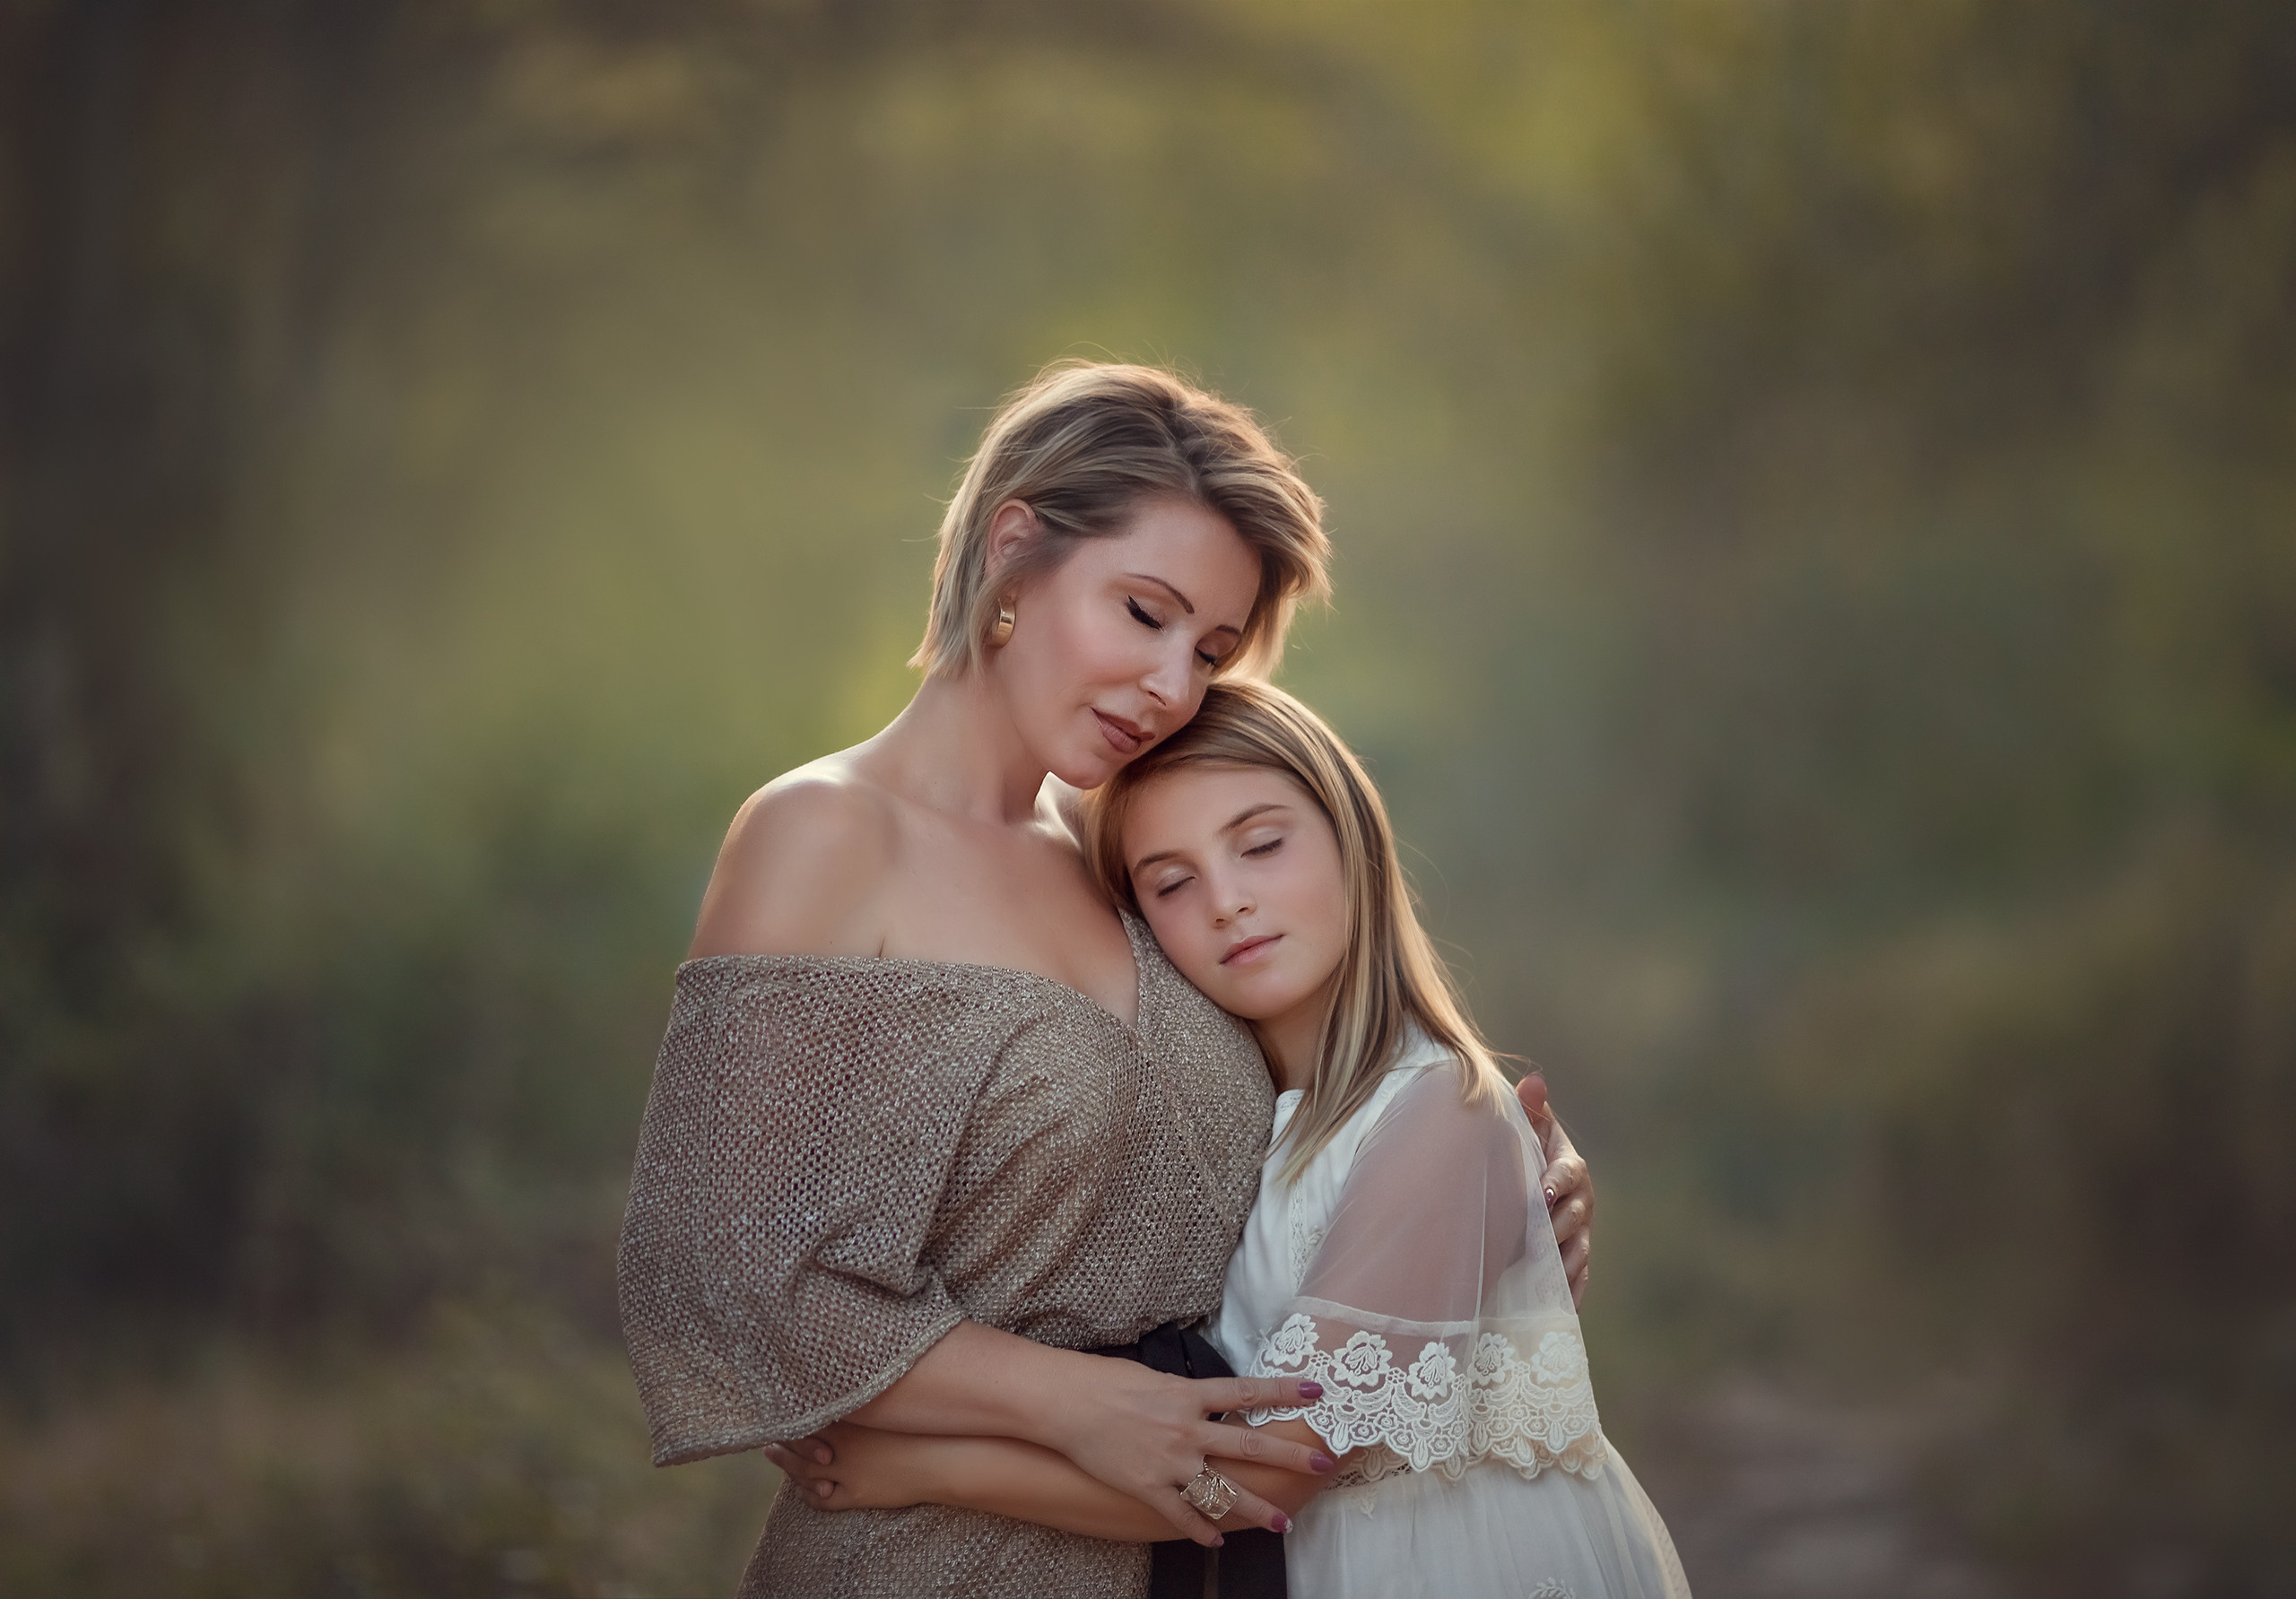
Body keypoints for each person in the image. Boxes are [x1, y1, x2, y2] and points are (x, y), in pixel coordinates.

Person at [618, 363, 1600, 1598]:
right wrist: (1077, 1399)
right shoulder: (824, 831)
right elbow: (731, 1268)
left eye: (1211, 649)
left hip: (1195, 1554)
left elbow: (1325, 1107)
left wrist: (1503, 1192)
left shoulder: (1128, 850)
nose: (1172, 685)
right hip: (928, 1557)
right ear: (1014, 550)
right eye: (1145, 612)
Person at [772, 680, 1686, 1597]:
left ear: (1352, 836)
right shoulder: (1243, 1123)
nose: (1227, 902)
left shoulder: (1440, 1109)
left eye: (1261, 845)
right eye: (1172, 881)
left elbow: (1273, 1471)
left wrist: (926, 1469)